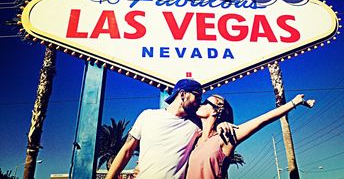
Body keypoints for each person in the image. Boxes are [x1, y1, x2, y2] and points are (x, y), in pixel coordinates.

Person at [105, 78, 235, 179]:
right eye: (197, 96)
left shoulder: (195, 124)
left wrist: (221, 124)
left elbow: (212, 133)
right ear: (183, 94)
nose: (200, 102)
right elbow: (127, 151)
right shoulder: (147, 116)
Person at [186, 94, 315, 179]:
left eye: (206, 102)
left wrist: (293, 103)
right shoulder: (195, 137)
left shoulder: (226, 138)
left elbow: (263, 120)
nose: (200, 104)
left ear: (215, 111)